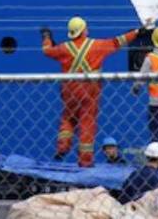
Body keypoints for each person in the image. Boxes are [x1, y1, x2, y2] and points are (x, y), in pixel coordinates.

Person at [42, 16, 140, 167]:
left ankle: (63, 146)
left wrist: (47, 37)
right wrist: (136, 32)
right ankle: (85, 159)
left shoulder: (64, 48)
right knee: (87, 123)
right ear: (84, 31)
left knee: (68, 118)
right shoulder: (96, 45)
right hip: (89, 91)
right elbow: (117, 42)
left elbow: (47, 51)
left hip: (69, 90)